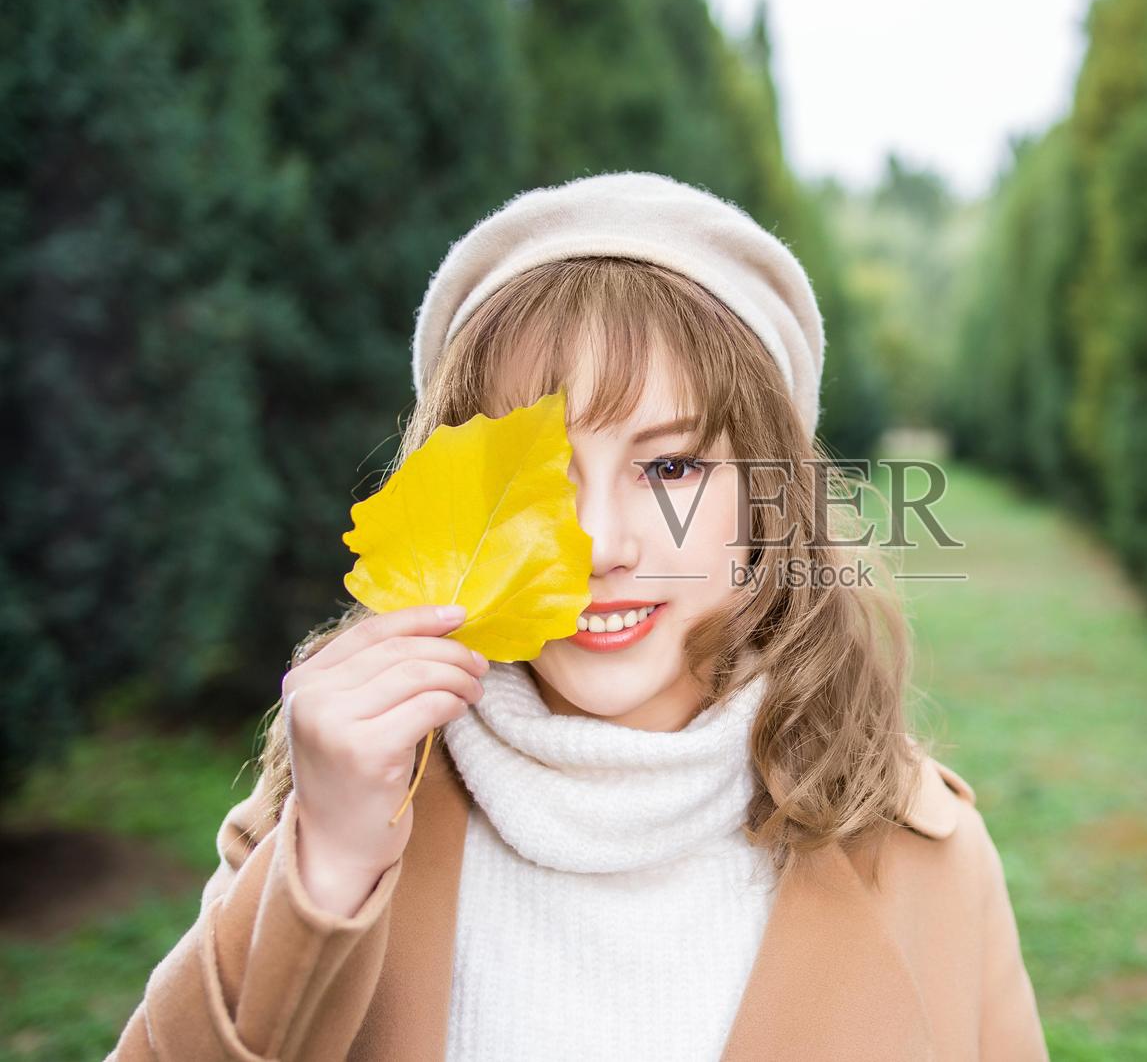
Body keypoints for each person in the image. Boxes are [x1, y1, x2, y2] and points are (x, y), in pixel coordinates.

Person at [107, 171, 1048, 1061]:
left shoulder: (931, 856)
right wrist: (329, 865)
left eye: (671, 467)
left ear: (772, 501)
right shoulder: (338, 800)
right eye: (542, 479)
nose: (597, 542)